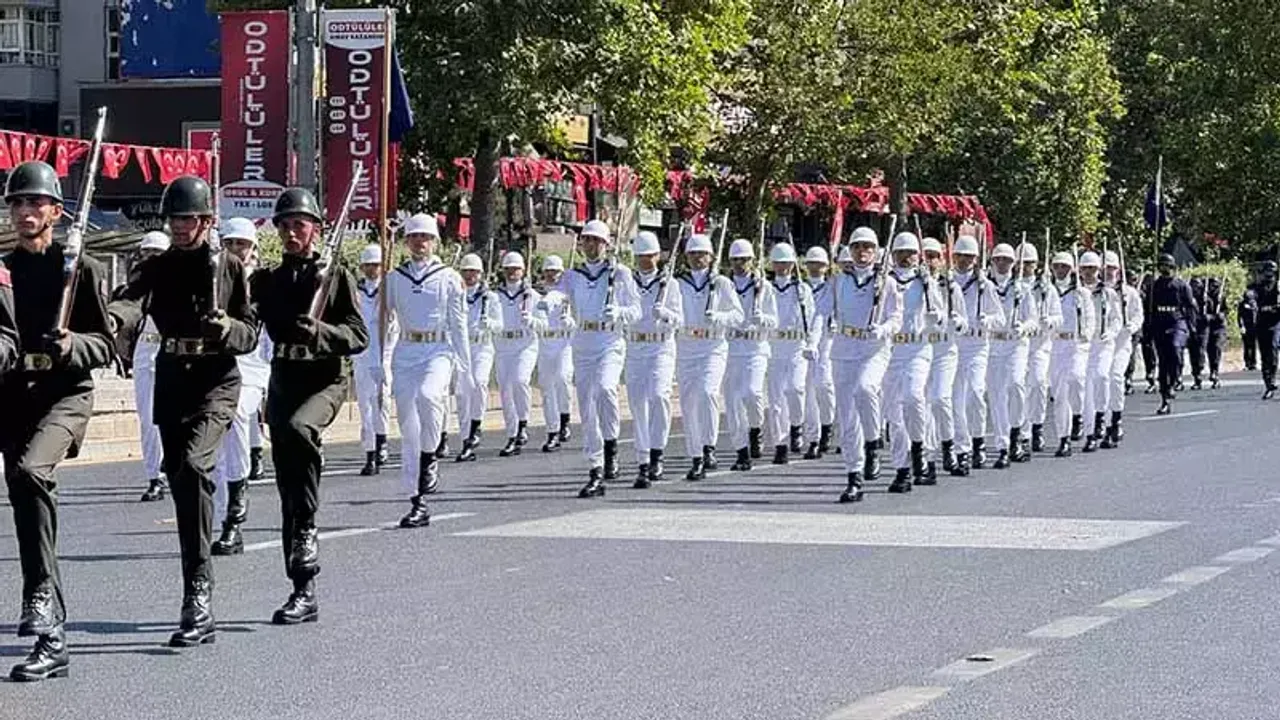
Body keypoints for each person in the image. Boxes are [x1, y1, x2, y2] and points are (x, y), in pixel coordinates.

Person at [108, 174, 257, 649]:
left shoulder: (228, 266)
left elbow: (250, 331)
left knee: (194, 466)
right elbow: (134, 301)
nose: (178, 227)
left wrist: (227, 327)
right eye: (173, 218)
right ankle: (195, 583)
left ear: (207, 221)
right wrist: (114, 319)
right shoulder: (160, 265)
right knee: (182, 485)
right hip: (173, 378)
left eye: (187, 219)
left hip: (216, 380)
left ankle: (199, 593)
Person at [2, 161, 115, 680]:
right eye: (18, 203)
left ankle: (42, 603)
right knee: (27, 504)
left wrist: (72, 345)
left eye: (35, 203)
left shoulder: (79, 268)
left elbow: (106, 345)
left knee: (31, 473)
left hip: (66, 394)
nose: (26, 211)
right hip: (14, 395)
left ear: (56, 211)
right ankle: (52, 635)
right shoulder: (2, 269)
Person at [251, 186, 368, 624]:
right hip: (284, 378)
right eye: (283, 225)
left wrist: (319, 332)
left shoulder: (334, 276)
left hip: (325, 378)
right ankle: (302, 587)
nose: (290, 232)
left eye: (298, 224)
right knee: (287, 485)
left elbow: (358, 336)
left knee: (301, 431)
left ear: (316, 229)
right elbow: (248, 320)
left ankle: (309, 525)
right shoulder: (269, 279)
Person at [385, 213, 469, 526]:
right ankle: (416, 499)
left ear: (435, 241)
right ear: (406, 241)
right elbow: (384, 324)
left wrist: (466, 366)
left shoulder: (448, 277)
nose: (420, 242)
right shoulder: (394, 278)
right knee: (408, 426)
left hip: (438, 349)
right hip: (406, 350)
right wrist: (381, 362)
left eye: (426, 237)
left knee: (429, 396)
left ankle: (431, 454)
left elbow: (458, 324)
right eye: (414, 237)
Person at [558, 219, 641, 496]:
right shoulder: (573, 275)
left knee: (605, 389)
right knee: (587, 404)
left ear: (607, 245)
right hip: (583, 342)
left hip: (610, 341)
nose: (591, 245)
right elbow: (559, 295)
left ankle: (611, 445)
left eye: (597, 240)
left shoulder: (620, 274)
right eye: (587, 240)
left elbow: (636, 311)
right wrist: (551, 303)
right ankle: (595, 467)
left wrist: (619, 312)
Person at [824, 226, 902, 502]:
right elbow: (821, 312)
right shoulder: (838, 282)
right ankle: (853, 476)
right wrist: (815, 339)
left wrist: (882, 329)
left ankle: (873, 442)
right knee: (847, 419)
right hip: (844, 349)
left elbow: (896, 318)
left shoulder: (887, 283)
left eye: (868, 247)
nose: (862, 251)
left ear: (876, 251)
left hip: (873, 349)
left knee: (866, 389)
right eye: (857, 246)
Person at [211, 217, 273, 556]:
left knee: (234, 421)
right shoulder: (211, 278)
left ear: (253, 249)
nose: (237, 250)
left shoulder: (263, 283)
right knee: (215, 446)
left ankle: (234, 517)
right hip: (217, 366)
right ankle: (222, 519)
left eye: (243, 244)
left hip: (251, 369)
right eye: (231, 243)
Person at [674, 233, 743, 480]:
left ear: (711, 257)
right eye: (692, 254)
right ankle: (695, 454)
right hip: (686, 345)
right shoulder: (677, 283)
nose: (697, 258)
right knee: (688, 401)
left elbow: (738, 316)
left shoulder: (722, 283)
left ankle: (708, 446)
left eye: (702, 254)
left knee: (707, 393)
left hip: (713, 345)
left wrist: (720, 317)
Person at [626, 231, 682, 487]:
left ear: (658, 256)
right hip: (636, 346)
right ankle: (642, 458)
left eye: (649, 256)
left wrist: (667, 314)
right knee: (638, 403)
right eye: (641, 257)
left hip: (661, 346)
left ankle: (657, 453)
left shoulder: (670, 283)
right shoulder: (626, 281)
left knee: (659, 397)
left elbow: (680, 320)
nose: (645, 261)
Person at [723, 239, 778, 471]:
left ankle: (756, 428)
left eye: (744, 259)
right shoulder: (722, 285)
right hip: (730, 347)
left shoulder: (764, 286)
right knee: (733, 402)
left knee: (753, 393)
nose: (740, 264)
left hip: (756, 347)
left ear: (752, 260)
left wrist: (761, 320)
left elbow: (774, 321)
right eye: (736, 259)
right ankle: (741, 451)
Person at [951, 235, 1003, 474]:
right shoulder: (947, 282)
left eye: (969, 256)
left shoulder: (985, 285)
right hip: (954, 344)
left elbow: (1000, 318)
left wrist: (988, 320)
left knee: (974, 393)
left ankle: (978, 440)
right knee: (956, 399)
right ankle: (962, 447)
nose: (964, 260)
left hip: (977, 344)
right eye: (961, 255)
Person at [764, 242, 817, 465]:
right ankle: (780, 444)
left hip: (796, 346)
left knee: (796, 390)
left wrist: (811, 342)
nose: (782, 267)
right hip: (775, 345)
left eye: (786, 263)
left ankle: (796, 425)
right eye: (778, 262)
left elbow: (812, 320)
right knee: (776, 400)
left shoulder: (802, 289)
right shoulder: (766, 288)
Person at [985, 243, 1036, 468]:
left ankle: (1017, 434)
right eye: (999, 260)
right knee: (996, 396)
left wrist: (1023, 326)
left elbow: (1033, 320)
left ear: (1014, 264)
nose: (1002, 264)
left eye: (1007, 260)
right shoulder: (984, 286)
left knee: (1016, 385)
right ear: (992, 262)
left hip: (1016, 344)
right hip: (994, 344)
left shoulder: (1022, 288)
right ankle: (1002, 446)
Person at [130, 231, 171, 502]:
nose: (151, 258)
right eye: (147, 253)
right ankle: (154, 475)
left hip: (173, 351)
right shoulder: (135, 284)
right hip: (146, 350)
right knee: (148, 419)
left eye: (157, 253)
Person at [493, 251, 544, 456]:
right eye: (508, 269)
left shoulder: (533, 296)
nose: (512, 272)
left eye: (516, 268)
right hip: (503, 344)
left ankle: (523, 423)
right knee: (505, 389)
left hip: (525, 343)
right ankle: (512, 433)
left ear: (523, 270)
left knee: (520, 381)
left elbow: (545, 324)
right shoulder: (495, 296)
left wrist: (532, 321)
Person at [353, 243, 395, 476]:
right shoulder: (356, 292)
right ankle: (370, 452)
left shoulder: (389, 291)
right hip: (362, 354)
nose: (372, 269)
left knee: (382, 402)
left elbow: (395, 328)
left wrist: (386, 355)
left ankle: (382, 440)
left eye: (376, 265)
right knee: (365, 406)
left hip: (383, 354)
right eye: (368, 265)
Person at [1048, 251, 1096, 454]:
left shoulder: (1081, 293)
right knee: (1059, 394)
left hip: (1076, 344)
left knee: (1077, 382)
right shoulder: (1048, 291)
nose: (1061, 270)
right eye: (1057, 266)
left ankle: (1088, 429)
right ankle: (1063, 437)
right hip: (1056, 345)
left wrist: (1086, 334)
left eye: (1065, 266)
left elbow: (1090, 318)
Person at [455, 253, 501, 461]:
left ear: (480, 274)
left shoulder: (490, 297)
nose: (470, 275)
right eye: (466, 271)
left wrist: (488, 324)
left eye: (473, 271)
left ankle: (476, 424)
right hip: (462, 347)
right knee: (462, 392)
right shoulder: (456, 294)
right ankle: (465, 436)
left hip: (482, 346)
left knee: (480, 383)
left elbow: (499, 326)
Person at [1018, 243, 1060, 455]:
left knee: (1038, 384)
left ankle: (1037, 425)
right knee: (1020, 388)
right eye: (1023, 262)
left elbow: (1058, 316)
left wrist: (1049, 321)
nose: (1026, 266)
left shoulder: (1047, 288)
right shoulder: (1013, 285)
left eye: (1030, 263)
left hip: (1041, 344)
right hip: (1019, 344)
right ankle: (1023, 433)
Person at [1079, 251, 1120, 453]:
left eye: (1093, 269)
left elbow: (1116, 319)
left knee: (1102, 377)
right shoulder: (1075, 291)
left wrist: (1111, 333)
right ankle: (1090, 432)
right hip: (1083, 345)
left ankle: (1102, 417)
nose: (1089, 272)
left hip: (1103, 344)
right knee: (1086, 387)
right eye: (1085, 268)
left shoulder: (1108, 294)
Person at [534, 254, 574, 453]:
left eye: (556, 271)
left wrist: (571, 322)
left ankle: (565, 418)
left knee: (562, 378)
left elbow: (581, 318)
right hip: (544, 341)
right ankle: (552, 431)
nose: (552, 275)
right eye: (549, 271)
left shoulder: (569, 292)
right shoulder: (536, 293)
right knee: (547, 387)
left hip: (564, 341)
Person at [1103, 250, 1144, 447]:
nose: (1109, 271)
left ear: (1119, 270)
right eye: (1106, 268)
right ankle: (1100, 421)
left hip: (1121, 344)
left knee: (1116, 378)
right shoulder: (1094, 291)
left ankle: (1116, 419)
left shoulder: (1130, 293)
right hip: (1100, 345)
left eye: (1112, 268)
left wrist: (1132, 327)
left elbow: (1138, 315)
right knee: (1100, 382)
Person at [802, 246, 836, 459]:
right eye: (812, 263)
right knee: (807, 390)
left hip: (828, 341)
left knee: (824, 386)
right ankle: (812, 437)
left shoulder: (831, 287)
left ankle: (827, 425)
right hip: (804, 343)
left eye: (820, 264)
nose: (816, 267)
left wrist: (837, 322)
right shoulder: (801, 288)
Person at [1250, 261, 1280, 399]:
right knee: (1264, 355)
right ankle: (1268, 384)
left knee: (1273, 351)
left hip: (1276, 323)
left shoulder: (1278, 287)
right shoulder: (1257, 287)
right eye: (1266, 271)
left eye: (1271, 272)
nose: (1268, 275)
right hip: (1262, 323)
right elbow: (1251, 296)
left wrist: (1274, 308)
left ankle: (1273, 379)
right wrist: (1252, 302)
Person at [1239, 280, 1259, 371]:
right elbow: (1239, 316)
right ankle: (1247, 363)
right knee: (1247, 346)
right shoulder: (1242, 304)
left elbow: (1258, 315)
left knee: (1253, 345)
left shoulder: (1255, 304)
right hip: (1246, 327)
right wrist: (1241, 326)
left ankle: (1253, 363)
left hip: (1255, 327)